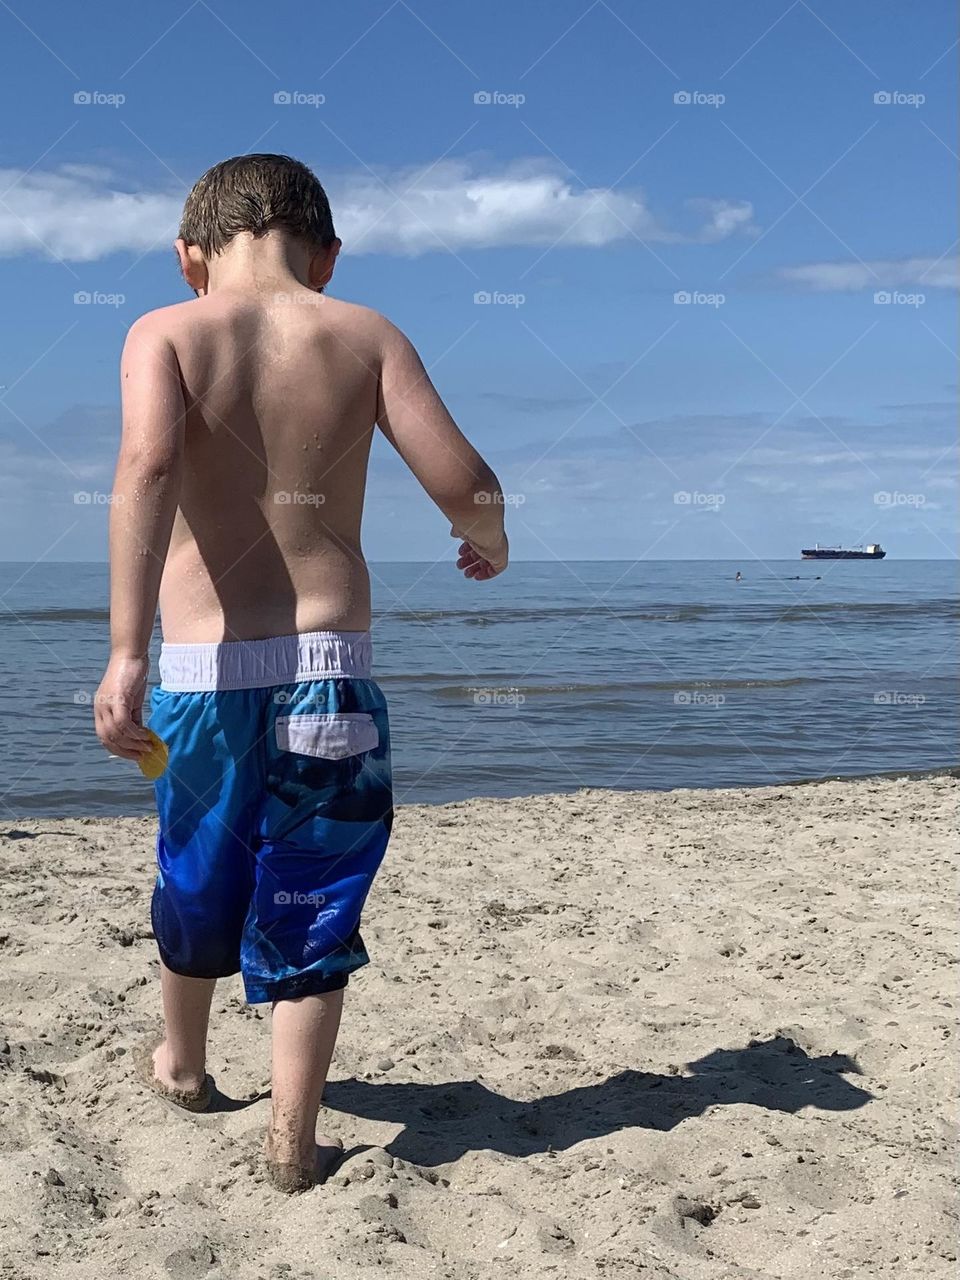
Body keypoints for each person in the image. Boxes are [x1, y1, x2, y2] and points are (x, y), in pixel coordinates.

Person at [93, 154, 509, 1192]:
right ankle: (293, 1134)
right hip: (329, 673)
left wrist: (128, 650)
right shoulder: (365, 334)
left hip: (199, 673)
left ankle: (183, 1065)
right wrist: (487, 537)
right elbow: (465, 480)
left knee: (194, 869)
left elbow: (147, 469)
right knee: (315, 893)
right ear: (327, 256)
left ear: (189, 256)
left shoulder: (166, 331)